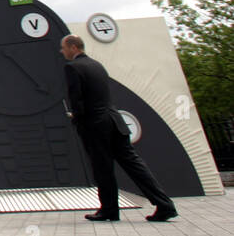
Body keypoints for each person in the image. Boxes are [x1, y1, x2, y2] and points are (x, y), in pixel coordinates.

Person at [61, 34, 177, 222]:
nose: (62, 51)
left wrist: (76, 117)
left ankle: (109, 209)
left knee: (102, 168)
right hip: (115, 121)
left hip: (95, 125)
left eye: (64, 47)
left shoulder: (72, 67)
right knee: (134, 165)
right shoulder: (98, 65)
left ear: (73, 47)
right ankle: (164, 204)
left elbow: (77, 99)